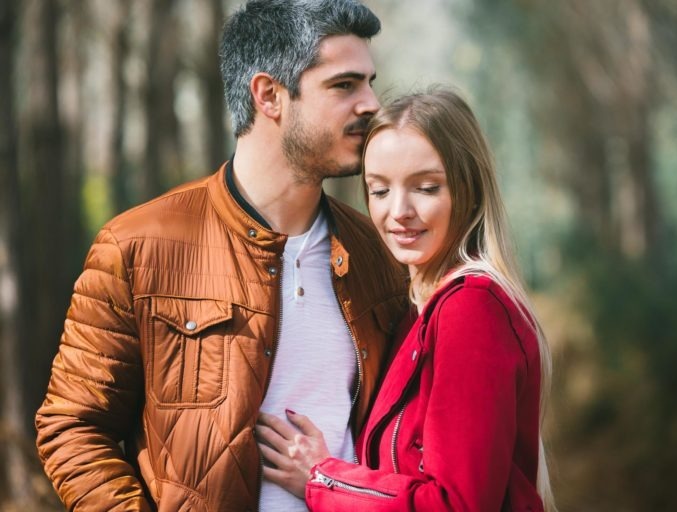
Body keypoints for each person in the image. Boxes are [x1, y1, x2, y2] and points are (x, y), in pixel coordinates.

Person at [34, 1, 409, 510]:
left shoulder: (381, 257)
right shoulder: (138, 246)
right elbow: (73, 426)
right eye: (344, 85)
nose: (370, 104)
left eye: (369, 82)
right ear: (269, 95)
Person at [256, 88, 557, 511]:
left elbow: (456, 504)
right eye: (379, 191)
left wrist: (322, 478)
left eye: (426, 188)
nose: (398, 211)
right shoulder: (414, 311)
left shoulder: (471, 308)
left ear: (467, 190)